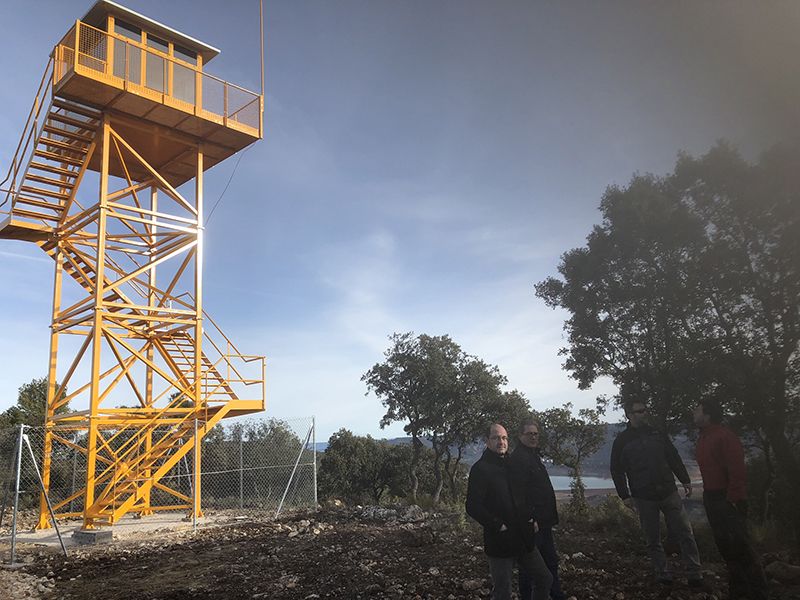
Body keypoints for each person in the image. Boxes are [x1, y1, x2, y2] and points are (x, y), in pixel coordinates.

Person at [610, 400, 704, 587]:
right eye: (640, 411)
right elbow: (616, 470)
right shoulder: (622, 441)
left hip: (668, 491)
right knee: (652, 539)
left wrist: (685, 479)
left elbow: (672, 456)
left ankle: (695, 573)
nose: (645, 413)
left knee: (685, 532)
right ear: (630, 414)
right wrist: (624, 495)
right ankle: (663, 574)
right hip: (644, 496)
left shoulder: (657, 433)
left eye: (645, 410)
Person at [466, 423, 553, 600]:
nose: (501, 441)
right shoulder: (480, 469)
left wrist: (533, 517)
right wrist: (498, 525)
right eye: (496, 437)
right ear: (487, 441)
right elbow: (473, 506)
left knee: (545, 578)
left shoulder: (512, 465)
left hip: (523, 536)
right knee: (503, 593)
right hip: (500, 542)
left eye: (504, 438)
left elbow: (527, 494)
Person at [693, 399, 768, 600]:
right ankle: (739, 590)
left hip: (726, 498)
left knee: (741, 546)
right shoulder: (703, 437)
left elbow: (737, 470)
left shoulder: (724, 436)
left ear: (707, 415)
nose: (694, 412)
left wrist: (734, 499)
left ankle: (758, 592)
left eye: (697, 409)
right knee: (726, 546)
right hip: (711, 497)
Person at [510, 420, 566, 600]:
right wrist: (530, 519)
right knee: (529, 567)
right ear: (520, 436)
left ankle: (555, 595)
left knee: (550, 562)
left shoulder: (532, 455)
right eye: (529, 434)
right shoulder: (519, 458)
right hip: (533, 524)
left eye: (536, 434)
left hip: (544, 522)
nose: (534, 437)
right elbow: (518, 494)